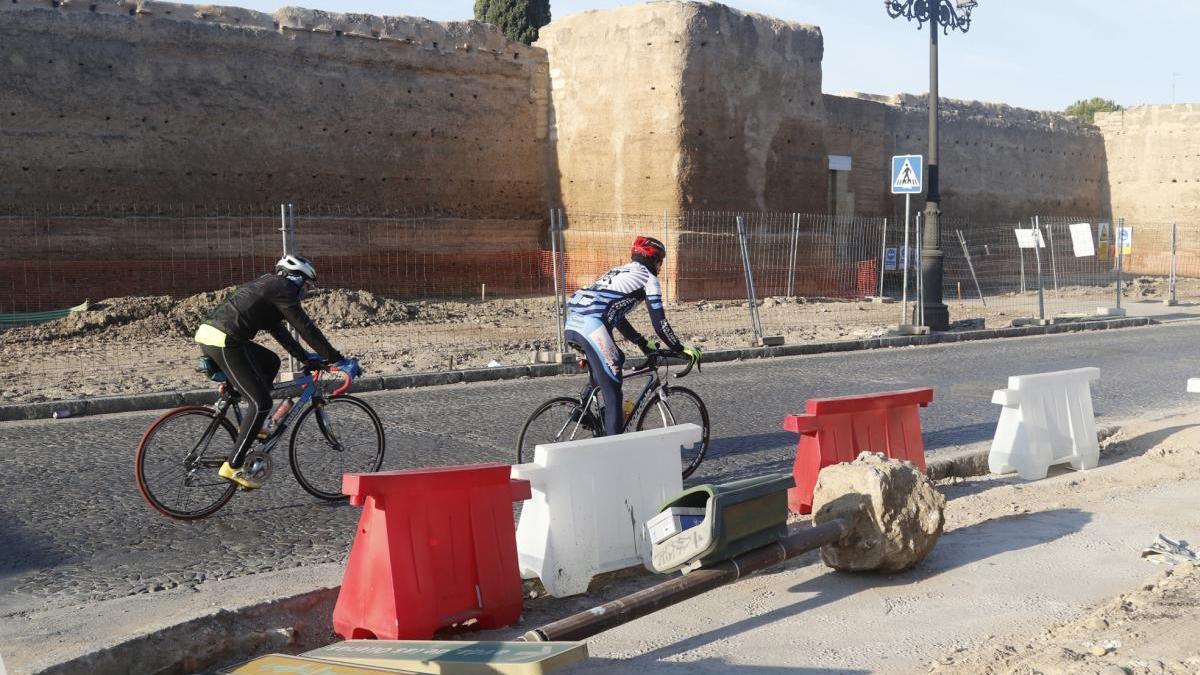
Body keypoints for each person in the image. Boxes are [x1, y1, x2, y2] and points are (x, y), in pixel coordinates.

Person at [194, 254, 360, 490]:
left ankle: (249, 422)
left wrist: (305, 357)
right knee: (261, 403)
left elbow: (279, 331)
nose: (306, 291)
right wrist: (336, 358)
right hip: (224, 340)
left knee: (270, 362)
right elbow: (305, 327)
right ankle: (233, 466)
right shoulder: (283, 288)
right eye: (307, 285)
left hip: (217, 336)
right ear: (297, 278)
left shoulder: (269, 286)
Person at [563, 235, 701, 437]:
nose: (660, 266)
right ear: (654, 259)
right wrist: (679, 348)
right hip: (592, 325)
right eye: (659, 261)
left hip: (572, 321)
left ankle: (583, 409)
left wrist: (641, 342)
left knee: (615, 360)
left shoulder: (620, 270)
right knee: (613, 393)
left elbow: (616, 316)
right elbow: (660, 324)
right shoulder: (648, 278)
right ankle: (614, 449)